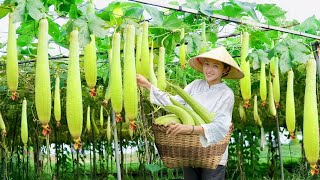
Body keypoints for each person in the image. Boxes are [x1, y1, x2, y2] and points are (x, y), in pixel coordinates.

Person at [136, 46, 244, 180]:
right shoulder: (195, 85)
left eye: (215, 66)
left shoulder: (226, 93)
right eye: (207, 64)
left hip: (212, 156)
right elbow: (174, 103)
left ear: (225, 70)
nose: (209, 70)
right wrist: (148, 86)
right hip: (190, 151)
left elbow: (221, 127)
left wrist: (190, 128)